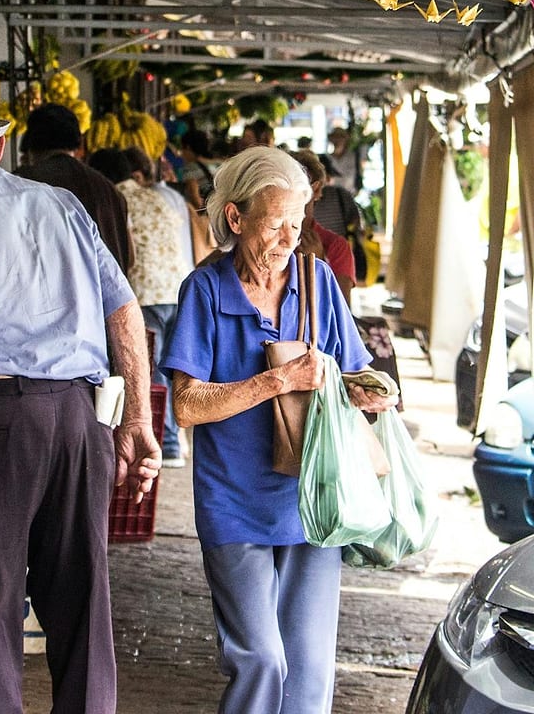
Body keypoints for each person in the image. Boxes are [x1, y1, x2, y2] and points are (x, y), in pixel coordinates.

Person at [0, 75, 161, 714]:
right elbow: (125, 312)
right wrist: (138, 420)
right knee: (82, 608)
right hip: (80, 419)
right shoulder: (62, 205)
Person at [159, 146, 397, 714]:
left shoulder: (316, 283)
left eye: (297, 221)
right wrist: (277, 380)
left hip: (313, 498)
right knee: (261, 657)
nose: (290, 236)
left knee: (310, 671)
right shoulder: (206, 292)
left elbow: (356, 369)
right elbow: (188, 406)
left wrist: (369, 392)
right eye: (275, 223)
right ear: (236, 220)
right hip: (233, 503)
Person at [90, 146, 193, 467]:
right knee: (174, 370)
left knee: (148, 374)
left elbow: (129, 254)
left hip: (144, 295)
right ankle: (176, 441)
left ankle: (169, 445)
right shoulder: (157, 196)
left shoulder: (113, 200)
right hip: (178, 289)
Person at [16, 103, 132, 274]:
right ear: (79, 143)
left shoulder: (23, 183)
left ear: (29, 143)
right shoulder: (109, 190)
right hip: (107, 297)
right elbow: (128, 258)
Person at [292, 149, 355, 303]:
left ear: (317, 189)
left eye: (301, 185)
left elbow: (341, 314)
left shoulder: (335, 246)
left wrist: (319, 264)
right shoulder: (268, 239)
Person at [325, 126, 360, 192]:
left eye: (341, 137)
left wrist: (332, 180)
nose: (338, 140)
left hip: (349, 196)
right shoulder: (327, 158)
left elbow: (349, 181)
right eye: (335, 137)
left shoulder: (352, 157)